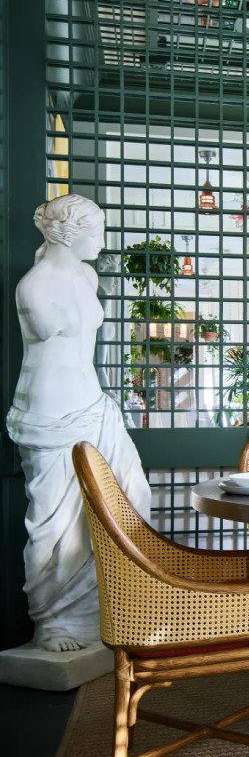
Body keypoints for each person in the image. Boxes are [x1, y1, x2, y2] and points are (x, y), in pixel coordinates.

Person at [5, 195, 151, 652]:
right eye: (97, 230)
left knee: (134, 495)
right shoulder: (34, 285)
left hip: (93, 404)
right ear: (69, 233)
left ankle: (113, 605)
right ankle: (53, 623)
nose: (103, 240)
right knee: (54, 521)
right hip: (50, 412)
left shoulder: (86, 275)